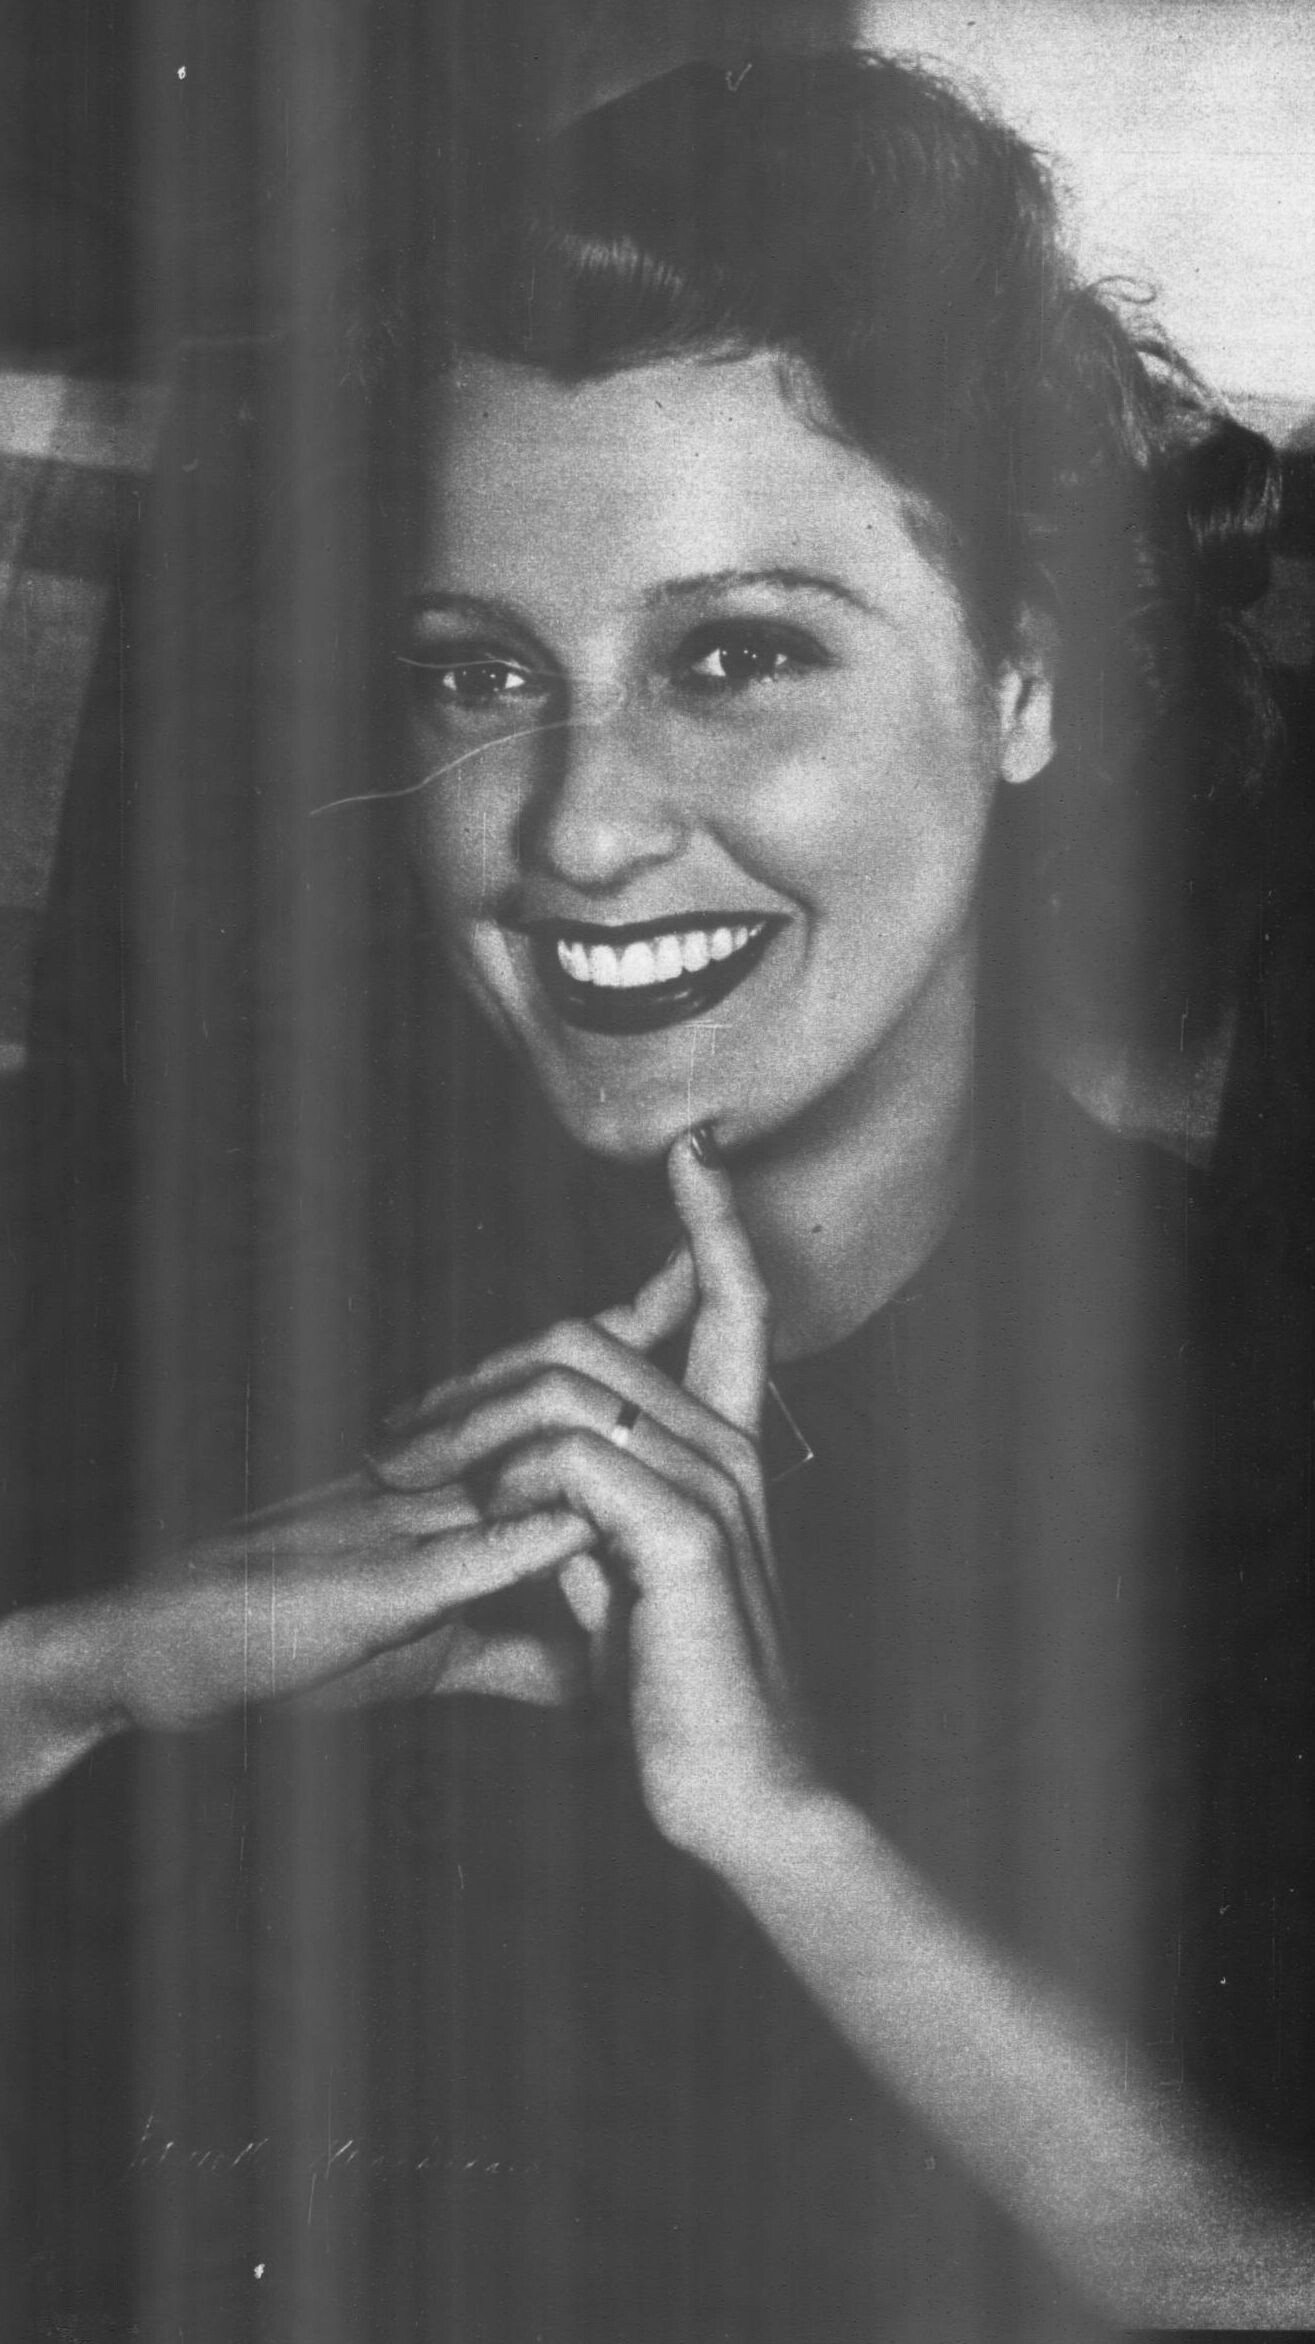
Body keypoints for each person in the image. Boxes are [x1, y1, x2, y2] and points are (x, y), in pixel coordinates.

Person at [3, 49, 1312, 2339]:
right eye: (476, 673)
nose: (577, 827)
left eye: (733, 656)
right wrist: (63, 1678)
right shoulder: (152, 1277)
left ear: (1024, 676)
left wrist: (780, 1827)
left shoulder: (1255, 1414)